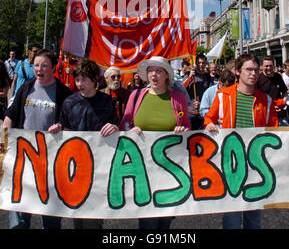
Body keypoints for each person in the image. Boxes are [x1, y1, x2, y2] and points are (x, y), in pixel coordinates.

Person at [204, 53, 278, 229]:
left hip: (257, 165)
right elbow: (209, 118)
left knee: (254, 216)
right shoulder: (223, 95)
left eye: (256, 70)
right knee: (232, 216)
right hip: (231, 163)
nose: (253, 74)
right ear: (237, 72)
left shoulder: (266, 101)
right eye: (249, 69)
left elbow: (275, 132)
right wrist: (209, 126)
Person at [3, 48, 72, 229]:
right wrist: (5, 139)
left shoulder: (63, 93)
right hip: (23, 159)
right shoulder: (26, 87)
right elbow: (11, 114)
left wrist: (61, 128)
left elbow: (70, 124)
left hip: (50, 162)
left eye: (44, 66)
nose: (39, 69)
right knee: (19, 210)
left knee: (48, 214)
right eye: (36, 65)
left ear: (53, 68)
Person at [120, 56, 190, 230]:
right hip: (142, 167)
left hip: (170, 168)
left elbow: (187, 125)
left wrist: (183, 131)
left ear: (167, 75)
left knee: (165, 219)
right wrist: (130, 130)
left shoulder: (178, 98)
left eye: (159, 71)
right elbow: (125, 123)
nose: (154, 75)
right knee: (147, 219)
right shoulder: (136, 96)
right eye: (151, 71)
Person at [51, 58, 119, 229]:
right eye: (78, 79)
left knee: (93, 217)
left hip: (100, 166)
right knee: (77, 212)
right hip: (75, 164)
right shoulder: (69, 102)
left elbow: (117, 128)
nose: (79, 83)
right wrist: (58, 129)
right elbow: (65, 128)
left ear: (95, 80)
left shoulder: (107, 102)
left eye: (84, 79)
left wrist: (114, 127)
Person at [256, 56, 288, 125]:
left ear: (273, 66)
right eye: (266, 66)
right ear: (262, 66)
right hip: (264, 115)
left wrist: (282, 103)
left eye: (271, 66)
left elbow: (285, 93)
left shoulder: (278, 77)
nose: (269, 68)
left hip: (279, 115)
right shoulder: (258, 78)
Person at [182, 54, 212, 129]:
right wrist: (189, 78)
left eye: (203, 63)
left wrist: (202, 103)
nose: (201, 65)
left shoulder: (208, 77)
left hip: (202, 112)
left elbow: (211, 95)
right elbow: (181, 89)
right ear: (196, 63)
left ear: (206, 64)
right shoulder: (189, 74)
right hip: (190, 111)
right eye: (199, 62)